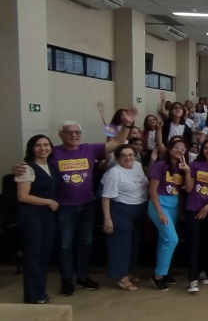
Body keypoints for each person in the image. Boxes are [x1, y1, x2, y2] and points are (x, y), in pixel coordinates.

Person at [12, 112, 134, 296]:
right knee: (65, 246)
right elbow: (33, 163)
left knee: (86, 242)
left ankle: (83, 276)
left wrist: (127, 125)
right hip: (64, 207)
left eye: (77, 132)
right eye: (69, 132)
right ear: (61, 135)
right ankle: (67, 280)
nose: (74, 135)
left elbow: (117, 143)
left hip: (88, 205)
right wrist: (17, 167)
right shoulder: (53, 152)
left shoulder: (89, 149)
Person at [16, 135, 58, 304]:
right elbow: (23, 196)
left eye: (46, 144)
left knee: (43, 253)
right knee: (33, 254)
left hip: (47, 216)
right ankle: (33, 295)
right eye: (38, 145)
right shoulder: (26, 168)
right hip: (31, 216)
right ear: (31, 148)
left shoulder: (50, 166)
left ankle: (40, 291)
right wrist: (48, 202)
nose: (43, 148)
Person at [147, 138, 193, 291]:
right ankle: (158, 275)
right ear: (170, 148)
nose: (180, 150)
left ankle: (163, 272)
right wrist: (160, 211)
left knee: (164, 240)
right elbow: (152, 190)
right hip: (159, 204)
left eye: (183, 149)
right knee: (172, 239)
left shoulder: (181, 167)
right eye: (177, 147)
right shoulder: (161, 165)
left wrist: (187, 171)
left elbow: (188, 189)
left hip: (173, 205)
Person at [101, 144, 148, 292]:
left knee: (133, 244)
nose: (128, 158)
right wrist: (107, 218)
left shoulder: (138, 166)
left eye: (131, 154)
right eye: (124, 155)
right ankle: (121, 277)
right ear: (117, 158)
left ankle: (129, 271)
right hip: (121, 211)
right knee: (121, 245)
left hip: (138, 209)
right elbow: (106, 196)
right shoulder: (114, 173)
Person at [184, 140, 208, 293]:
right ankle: (192, 279)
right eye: (206, 148)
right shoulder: (195, 165)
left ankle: (202, 270)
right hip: (193, 209)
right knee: (194, 243)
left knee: (207, 243)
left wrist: (207, 207)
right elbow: (188, 189)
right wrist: (187, 172)